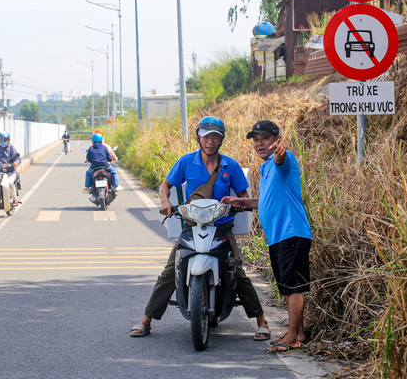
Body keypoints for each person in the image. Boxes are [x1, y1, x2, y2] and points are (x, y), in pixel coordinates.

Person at [129, 116, 271, 340]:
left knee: (237, 272)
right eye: (206, 136)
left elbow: (243, 195)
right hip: (191, 227)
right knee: (170, 271)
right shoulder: (186, 162)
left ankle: (261, 320)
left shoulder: (229, 166)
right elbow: (166, 186)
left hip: (222, 228)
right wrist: (165, 202)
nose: (210, 141)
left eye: (215, 137)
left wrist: (239, 204)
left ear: (221, 140)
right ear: (198, 137)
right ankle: (146, 320)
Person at [221, 120, 312, 353]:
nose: (260, 143)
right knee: (287, 285)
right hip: (279, 237)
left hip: (291, 232)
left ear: (276, 141)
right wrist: (240, 201)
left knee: (294, 287)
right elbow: (266, 201)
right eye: (256, 140)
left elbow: (282, 160)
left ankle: (292, 337)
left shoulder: (283, 160)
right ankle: (299, 331)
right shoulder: (266, 168)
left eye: (265, 139)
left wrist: (280, 153)